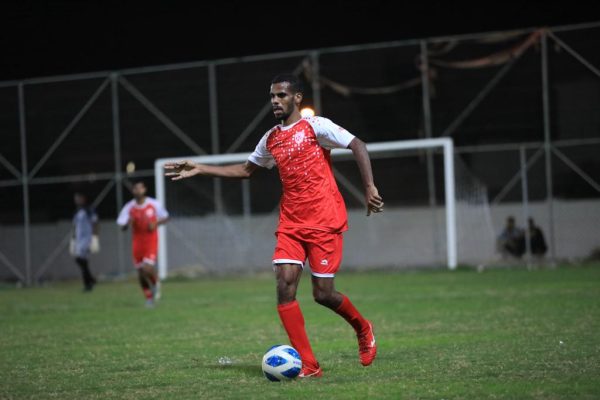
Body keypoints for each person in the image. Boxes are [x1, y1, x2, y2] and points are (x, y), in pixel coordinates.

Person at [164, 73, 384, 378]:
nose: (275, 101)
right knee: (284, 285)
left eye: (281, 95)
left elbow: (357, 144)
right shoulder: (271, 138)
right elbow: (246, 170)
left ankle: (362, 327)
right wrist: (200, 168)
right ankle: (310, 365)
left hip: (324, 220)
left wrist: (369, 187)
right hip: (291, 223)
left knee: (323, 294)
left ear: (297, 98)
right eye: (272, 96)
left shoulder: (316, 126)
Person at [117, 181, 169, 307]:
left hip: (151, 241)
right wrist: (128, 223)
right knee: (140, 273)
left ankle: (155, 283)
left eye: (140, 188)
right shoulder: (129, 207)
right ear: (133, 191)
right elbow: (122, 226)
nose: (138, 191)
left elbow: (166, 217)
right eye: (135, 188)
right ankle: (149, 298)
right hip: (137, 243)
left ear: (144, 190)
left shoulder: (153, 204)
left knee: (147, 268)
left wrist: (155, 223)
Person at [70, 192, 99, 292]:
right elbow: (75, 226)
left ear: (83, 198)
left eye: (78, 198)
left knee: (79, 259)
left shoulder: (89, 209)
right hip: (78, 240)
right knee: (82, 261)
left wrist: (95, 237)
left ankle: (89, 282)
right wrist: (73, 239)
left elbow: (95, 223)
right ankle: (90, 281)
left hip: (87, 239)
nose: (77, 200)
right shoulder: (77, 211)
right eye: (75, 198)